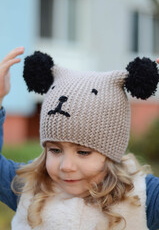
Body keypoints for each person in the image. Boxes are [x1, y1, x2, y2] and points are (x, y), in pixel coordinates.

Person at [0, 47, 159, 230]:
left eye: (83, 152)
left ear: (111, 153)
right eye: (55, 150)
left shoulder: (142, 197)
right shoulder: (30, 188)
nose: (66, 166)